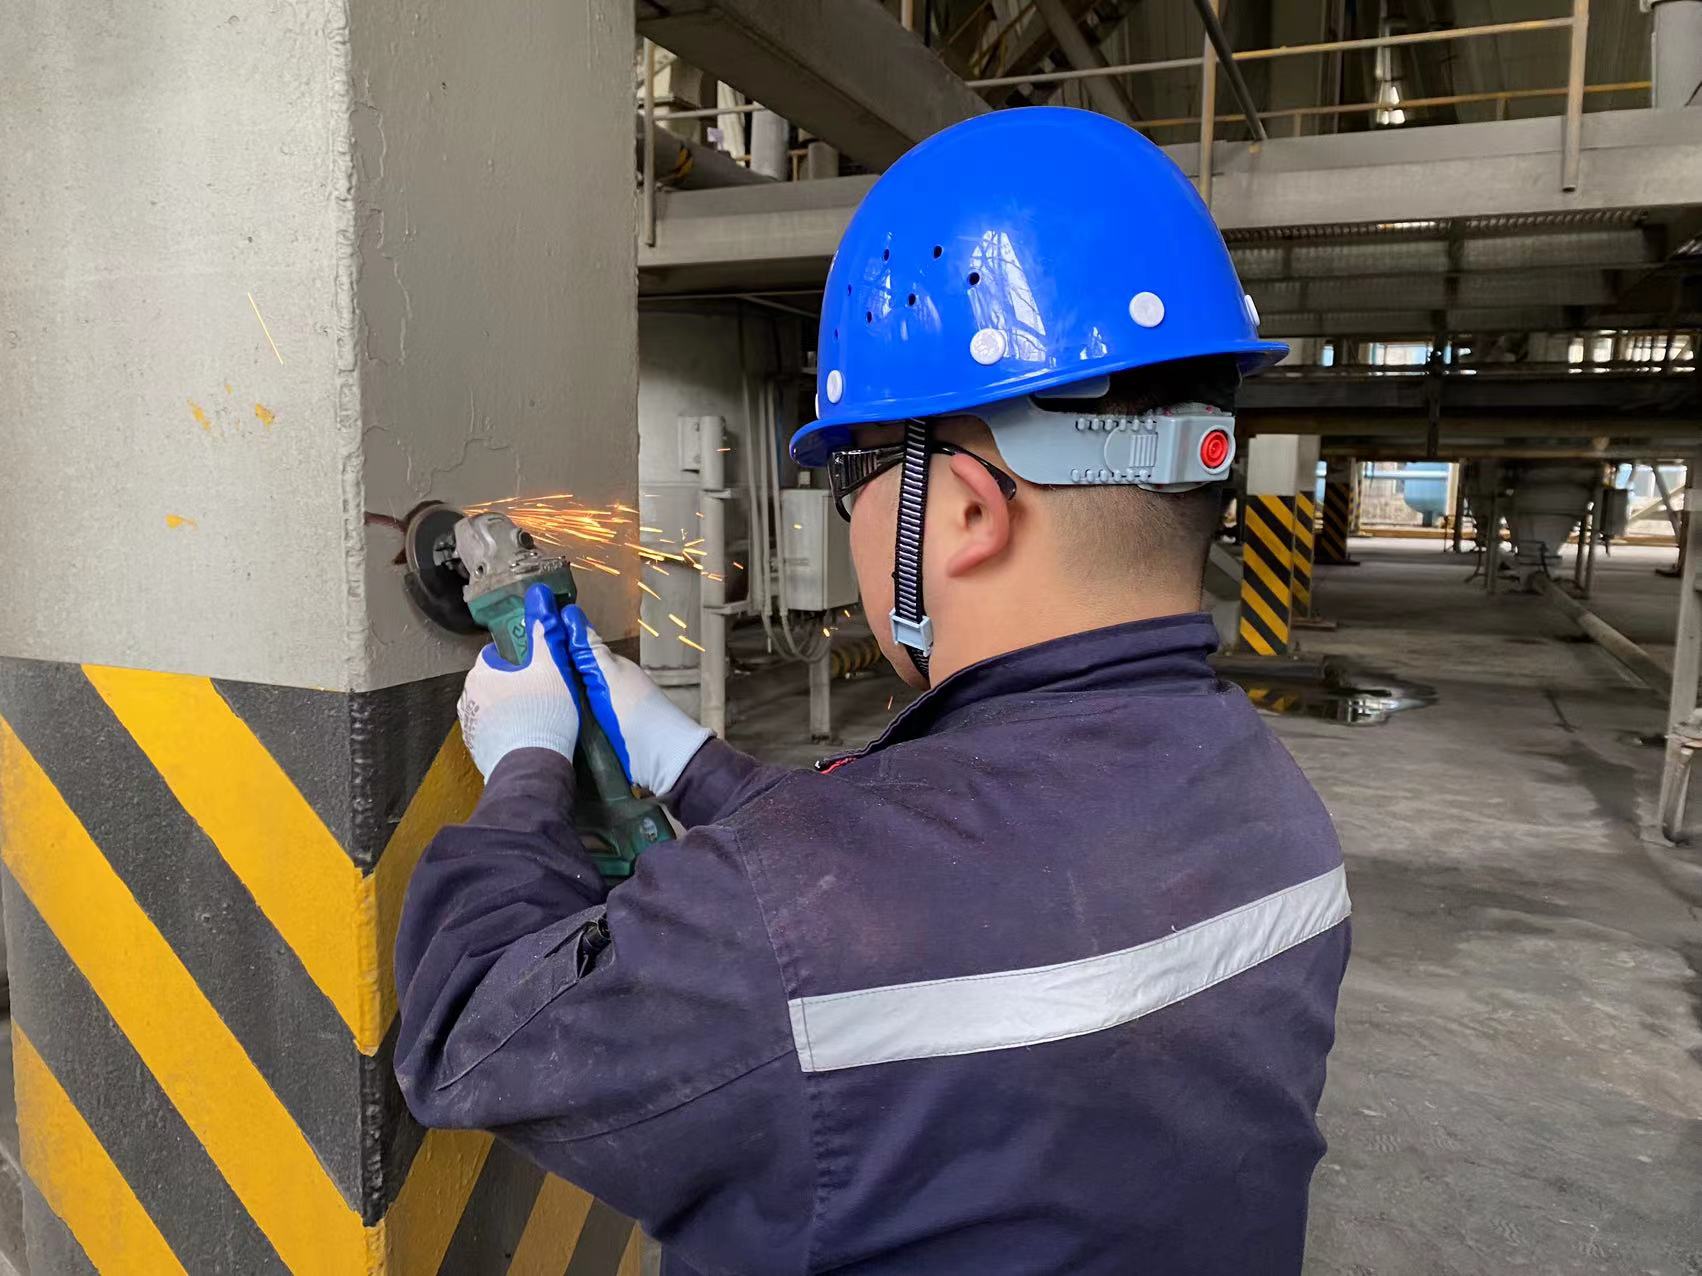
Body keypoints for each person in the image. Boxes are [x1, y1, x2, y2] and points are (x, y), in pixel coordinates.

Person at [395, 107, 1349, 1276]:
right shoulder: (1278, 812)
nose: (844, 514)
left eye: (853, 471)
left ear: (963, 511)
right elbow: (911, 882)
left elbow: (468, 1036)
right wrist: (679, 753)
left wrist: (528, 761)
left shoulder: (785, 920)